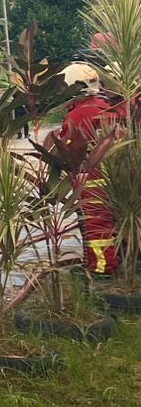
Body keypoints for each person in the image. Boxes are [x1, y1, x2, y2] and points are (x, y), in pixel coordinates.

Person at [57, 61, 120, 276]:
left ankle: (102, 268)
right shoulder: (107, 107)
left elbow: (70, 148)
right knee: (108, 223)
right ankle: (100, 263)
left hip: (93, 178)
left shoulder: (78, 114)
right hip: (114, 177)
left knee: (96, 224)